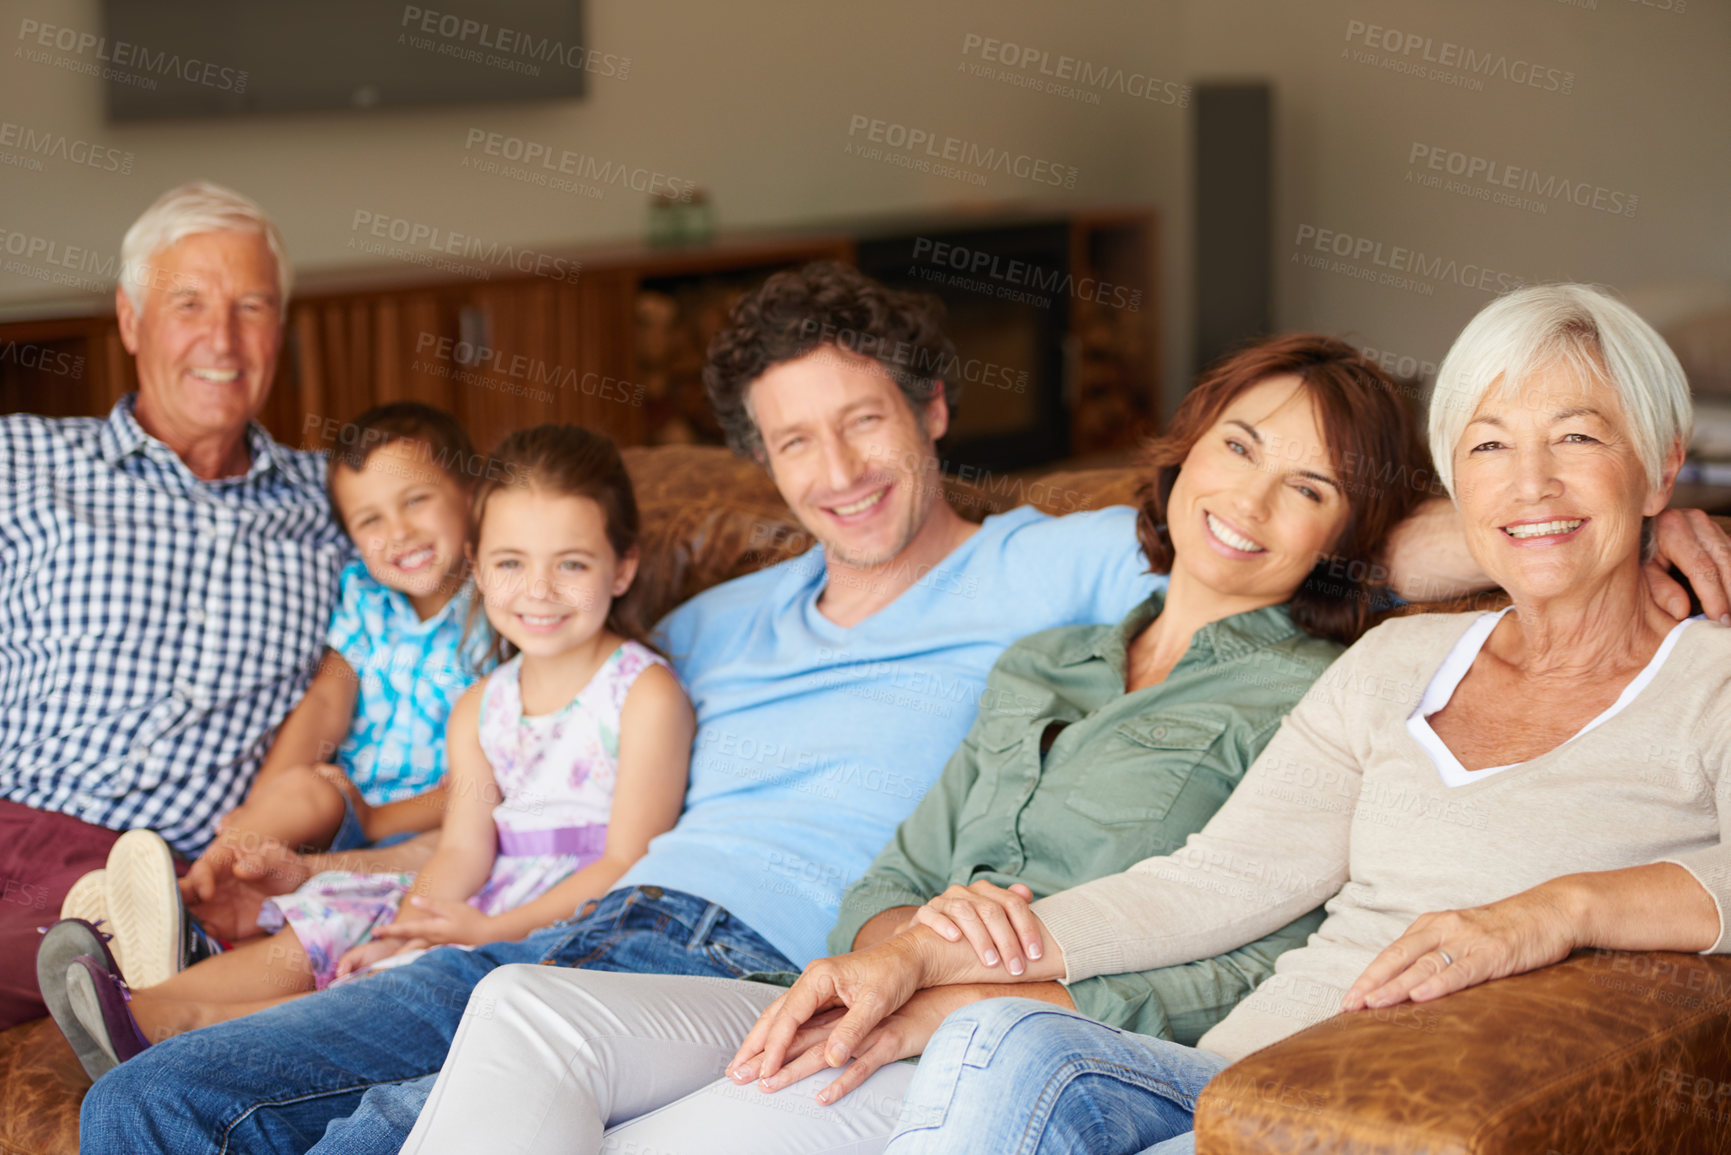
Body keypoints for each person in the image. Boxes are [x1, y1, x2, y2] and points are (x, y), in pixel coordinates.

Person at [78, 265, 1731, 1154]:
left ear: (934, 415)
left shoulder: (1061, 569)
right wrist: (345, 835)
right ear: (760, 470)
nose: (840, 470)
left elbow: (1325, 529)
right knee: (247, 1110)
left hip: (746, 959)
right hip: (639, 925)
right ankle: (172, 1012)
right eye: (796, 444)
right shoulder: (740, 624)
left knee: (400, 1073)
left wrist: (1611, 523)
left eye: (868, 423)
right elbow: (542, 721)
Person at [721, 284, 1731, 1155]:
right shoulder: (1397, 663)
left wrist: (1559, 911)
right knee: (998, 1040)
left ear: (1660, 466)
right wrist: (916, 957)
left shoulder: (1712, 678)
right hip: (1222, 1087)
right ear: (1456, 486)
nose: (1532, 483)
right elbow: (1215, 882)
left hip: (1383, 1115)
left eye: (1580, 439)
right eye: (1491, 447)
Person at [393, 333, 1427, 1154]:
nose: (1248, 500)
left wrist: (961, 994)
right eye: (1241, 446)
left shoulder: (1321, 693)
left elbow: (1263, 951)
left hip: (1013, 1043)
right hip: (870, 989)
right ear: (1191, 445)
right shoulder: (1047, 659)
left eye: (1311, 488)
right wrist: (904, 946)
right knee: (526, 1010)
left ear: (1350, 534)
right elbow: (893, 876)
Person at [40, 424, 692, 1081]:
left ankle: (189, 1030)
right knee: (350, 913)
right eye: (511, 562)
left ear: (624, 565)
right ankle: (143, 1004)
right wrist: (408, 924)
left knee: (392, 980)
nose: (539, 589)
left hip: (571, 913)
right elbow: (463, 850)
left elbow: (626, 858)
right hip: (482, 886)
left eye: (571, 562)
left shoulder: (642, 693)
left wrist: (483, 927)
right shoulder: (480, 706)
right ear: (477, 563)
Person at [0, 181, 361, 1029]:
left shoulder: (342, 502)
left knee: (141, 900)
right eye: (188, 303)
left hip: (178, 871)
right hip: (12, 818)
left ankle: (128, 955)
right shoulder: (21, 464)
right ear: (129, 319)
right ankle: (127, 961)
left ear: (280, 328)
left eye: (252, 307)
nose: (222, 339)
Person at [51, 402, 490, 995]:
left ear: (471, 492)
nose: (399, 534)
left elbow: (489, 779)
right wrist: (258, 819)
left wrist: (381, 817)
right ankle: (201, 889)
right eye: (370, 521)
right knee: (306, 786)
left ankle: (202, 942)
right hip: (349, 808)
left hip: (444, 824)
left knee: (440, 838)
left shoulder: (498, 613)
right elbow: (324, 707)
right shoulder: (366, 598)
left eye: (416, 500)